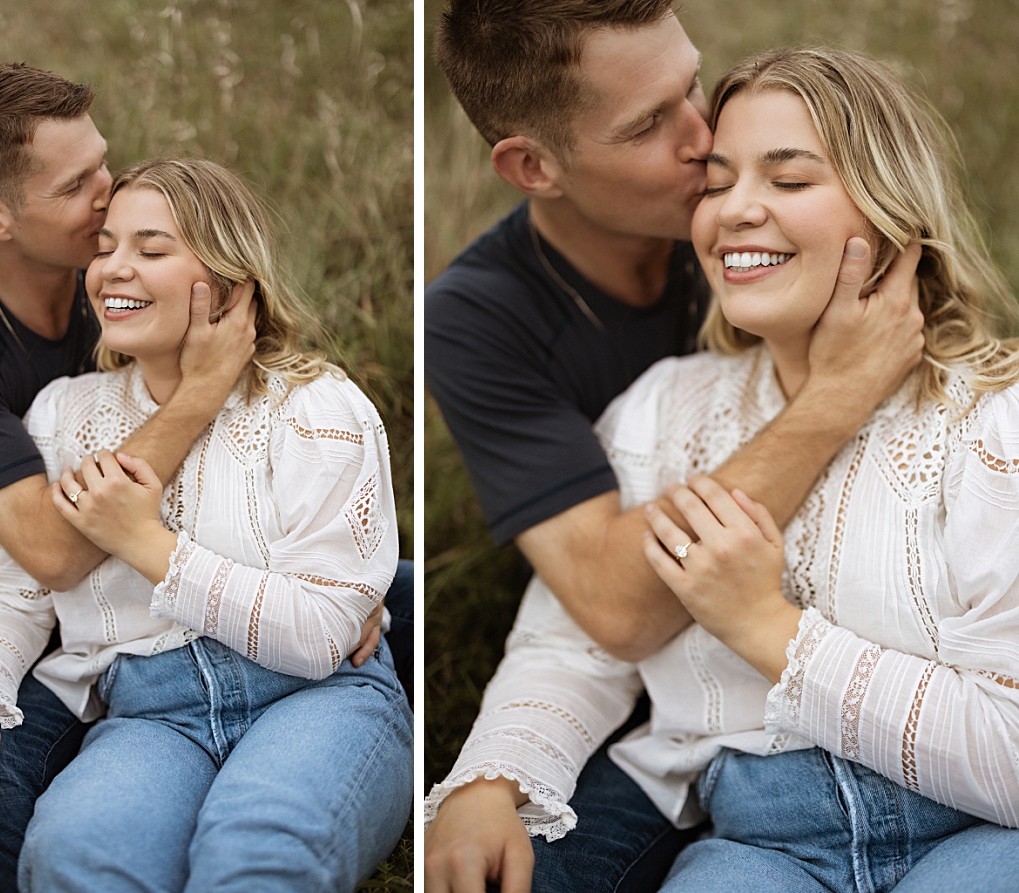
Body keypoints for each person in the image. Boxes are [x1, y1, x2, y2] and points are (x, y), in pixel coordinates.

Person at [427, 45, 1019, 893]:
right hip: (757, 844)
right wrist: (493, 776)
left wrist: (764, 626)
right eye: (717, 180)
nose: (736, 209)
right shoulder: (662, 411)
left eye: (788, 180)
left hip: (977, 833)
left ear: (890, 208)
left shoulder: (994, 424)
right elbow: (570, 647)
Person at [0, 63, 411, 891]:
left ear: (229, 281)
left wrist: (159, 549)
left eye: (147, 244)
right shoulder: (44, 399)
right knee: (70, 854)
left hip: (305, 686)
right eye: (101, 238)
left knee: (257, 849)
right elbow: (21, 577)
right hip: (135, 689)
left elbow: (317, 638)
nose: (109, 242)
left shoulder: (316, 406)